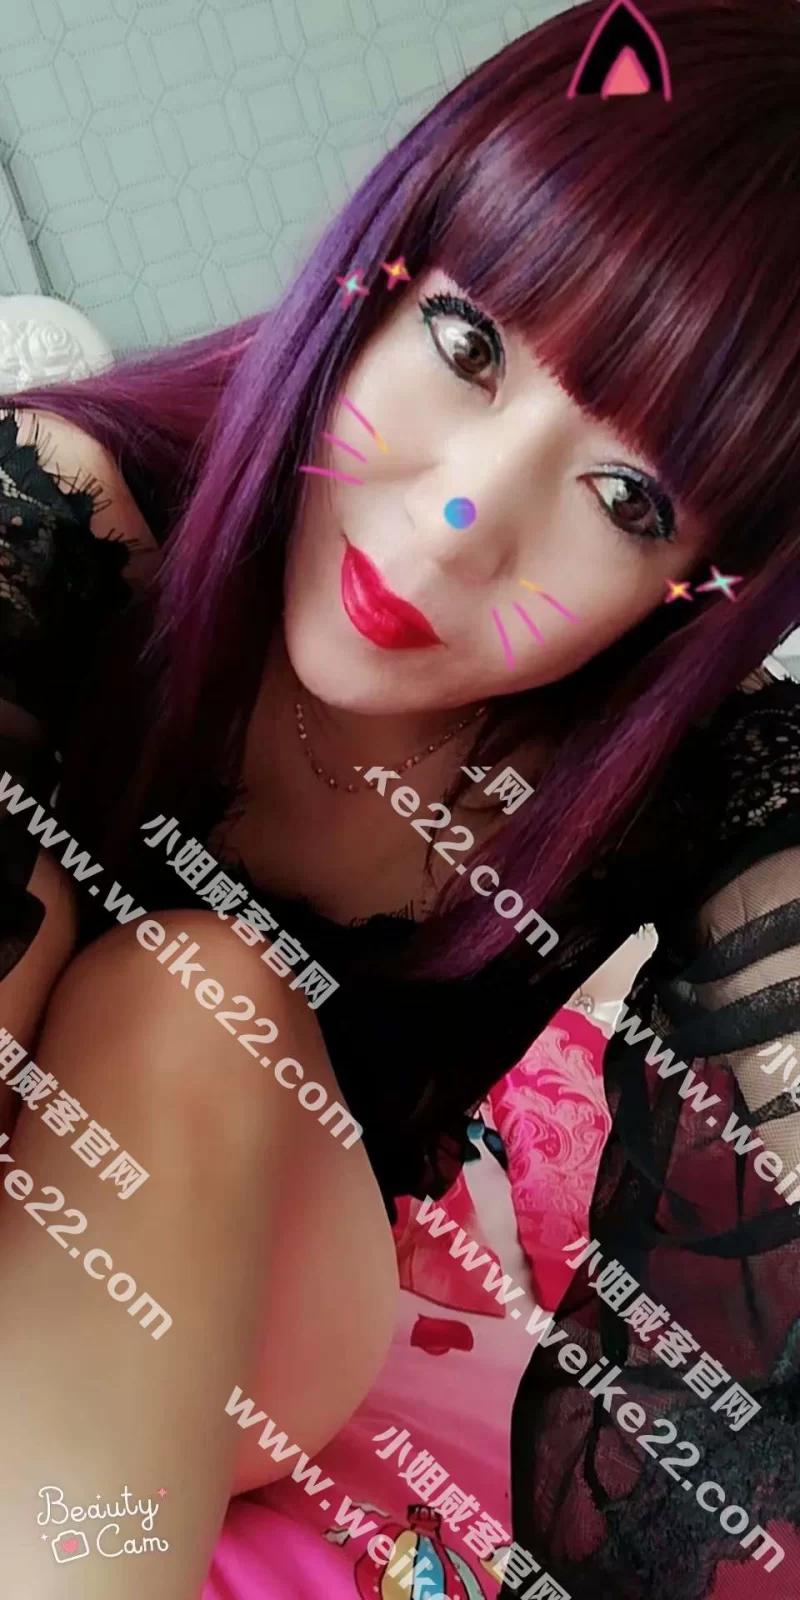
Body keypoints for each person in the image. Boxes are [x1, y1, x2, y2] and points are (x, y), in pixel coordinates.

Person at [0, 0, 798, 1594]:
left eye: (628, 497)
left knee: (192, 998)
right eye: (468, 346)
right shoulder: (66, 511)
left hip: (260, 1311)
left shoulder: (703, 773)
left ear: (706, 585)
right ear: (382, 277)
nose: (455, 523)